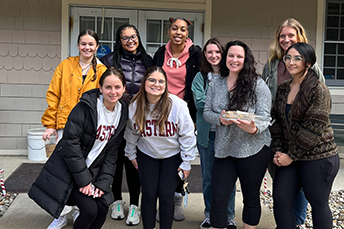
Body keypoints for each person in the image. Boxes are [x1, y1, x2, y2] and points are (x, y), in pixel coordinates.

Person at [29, 67, 128, 229]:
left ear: (124, 88)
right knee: (89, 210)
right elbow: (71, 145)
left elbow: (112, 153)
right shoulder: (85, 107)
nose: (113, 91)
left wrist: (103, 184)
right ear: (100, 88)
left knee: (102, 209)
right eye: (108, 87)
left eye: (117, 87)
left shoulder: (122, 111)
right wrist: (84, 182)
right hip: (70, 170)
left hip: (94, 172)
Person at [261, 18, 325, 229]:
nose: (286, 39)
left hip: (305, 138)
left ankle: (297, 221)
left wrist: (294, 151)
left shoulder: (311, 66)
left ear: (300, 38)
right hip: (278, 129)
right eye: (282, 36)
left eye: (291, 35)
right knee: (282, 180)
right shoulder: (271, 65)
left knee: (305, 187)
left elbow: (319, 105)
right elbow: (263, 94)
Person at [40, 29, 107, 229]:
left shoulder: (102, 70)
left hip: (89, 129)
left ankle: (79, 208)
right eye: (83, 44)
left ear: (97, 46)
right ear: (78, 45)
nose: (87, 47)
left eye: (91, 44)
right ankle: (60, 213)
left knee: (84, 169)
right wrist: (50, 124)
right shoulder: (65, 65)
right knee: (63, 170)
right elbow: (54, 94)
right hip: (65, 126)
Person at [203, 40, 272, 229]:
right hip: (225, 149)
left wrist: (254, 128)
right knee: (218, 199)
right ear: (225, 58)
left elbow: (265, 117)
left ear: (245, 59)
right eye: (231, 56)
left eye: (239, 56)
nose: (234, 59)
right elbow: (207, 112)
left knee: (250, 198)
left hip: (253, 149)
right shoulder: (216, 83)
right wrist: (221, 119)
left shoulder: (257, 84)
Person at [271, 42, 339, 229]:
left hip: (319, 157)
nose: (291, 62)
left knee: (318, 202)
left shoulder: (319, 90)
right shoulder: (284, 88)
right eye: (288, 57)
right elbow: (276, 120)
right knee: (281, 199)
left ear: (308, 62)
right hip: (289, 156)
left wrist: (290, 156)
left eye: (297, 58)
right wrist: (278, 150)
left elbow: (313, 130)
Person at [124, 66, 196, 229]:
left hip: (172, 155)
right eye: (152, 80)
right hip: (147, 154)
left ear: (166, 85)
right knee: (148, 194)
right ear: (144, 82)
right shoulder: (135, 105)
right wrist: (130, 153)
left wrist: (186, 161)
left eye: (161, 81)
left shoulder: (177, 105)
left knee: (165, 194)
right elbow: (131, 131)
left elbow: (187, 134)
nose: (156, 84)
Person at [100, 24, 152, 226]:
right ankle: (117, 202)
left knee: (134, 162)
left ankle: (135, 205)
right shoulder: (108, 60)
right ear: (119, 40)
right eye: (125, 38)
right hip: (115, 118)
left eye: (134, 36)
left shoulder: (148, 60)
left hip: (139, 118)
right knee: (115, 161)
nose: (130, 41)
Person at [152, 16, 201, 221]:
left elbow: (201, 79)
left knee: (182, 154)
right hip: (160, 110)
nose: (178, 32)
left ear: (187, 33)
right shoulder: (161, 53)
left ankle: (178, 196)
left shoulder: (195, 53)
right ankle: (162, 201)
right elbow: (151, 76)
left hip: (184, 111)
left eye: (182, 29)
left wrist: (197, 114)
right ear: (169, 31)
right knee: (161, 153)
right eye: (174, 29)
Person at [191, 37, 237, 229]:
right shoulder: (200, 77)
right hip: (207, 135)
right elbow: (200, 104)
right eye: (209, 52)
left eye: (217, 52)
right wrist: (222, 109)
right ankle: (209, 214)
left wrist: (215, 108)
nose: (214, 55)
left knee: (229, 179)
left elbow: (237, 103)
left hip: (229, 135)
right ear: (205, 55)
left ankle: (229, 215)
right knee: (209, 178)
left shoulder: (232, 76)